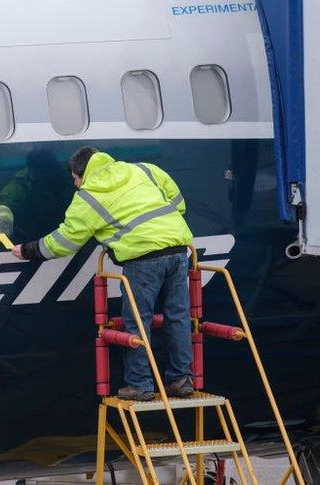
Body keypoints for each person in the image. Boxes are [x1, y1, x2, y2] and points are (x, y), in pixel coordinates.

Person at [11, 147, 195, 401]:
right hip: (178, 250)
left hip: (142, 260)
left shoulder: (88, 196)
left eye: (75, 179)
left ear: (81, 173)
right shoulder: (144, 169)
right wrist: (162, 230)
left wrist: (28, 250)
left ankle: (140, 384)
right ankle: (182, 379)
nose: (75, 185)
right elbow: (177, 203)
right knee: (178, 316)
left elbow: (66, 241)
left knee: (138, 322)